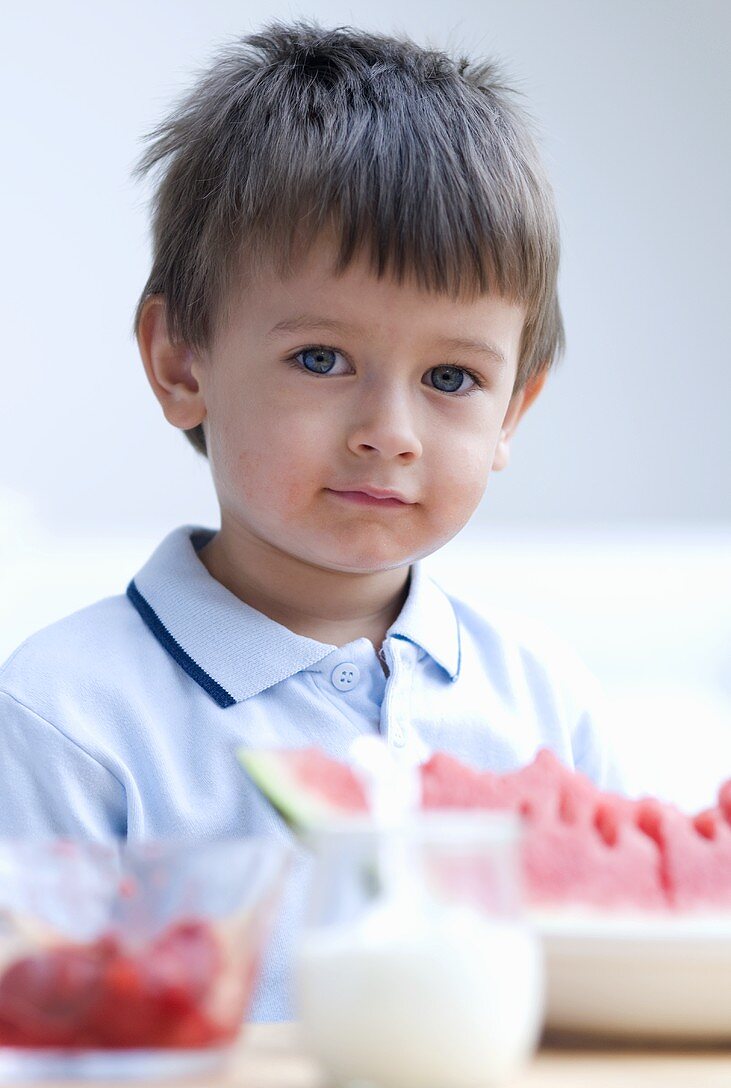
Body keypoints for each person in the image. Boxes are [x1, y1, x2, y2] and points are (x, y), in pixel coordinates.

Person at [0, 20, 623, 1019]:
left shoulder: (544, 702)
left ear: (514, 409)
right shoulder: (63, 716)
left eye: (451, 377)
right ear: (180, 361)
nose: (389, 432)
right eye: (321, 359)